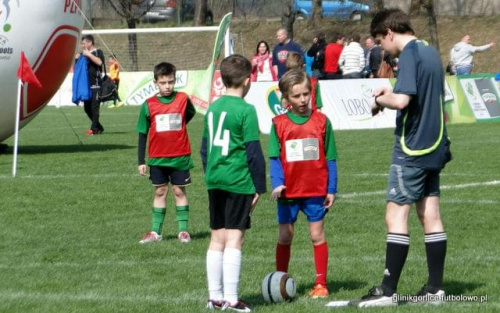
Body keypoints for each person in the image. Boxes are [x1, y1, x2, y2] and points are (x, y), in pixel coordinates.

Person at [352, 9, 452, 307]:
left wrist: (379, 100)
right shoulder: (431, 52)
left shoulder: (408, 54)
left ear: (389, 32)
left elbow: (402, 100)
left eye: (382, 42)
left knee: (395, 215)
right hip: (435, 146)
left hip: (412, 148)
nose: (383, 49)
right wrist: (391, 90)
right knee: (430, 215)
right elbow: (421, 95)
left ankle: (387, 290)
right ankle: (435, 288)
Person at [201, 54, 266, 312]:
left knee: (217, 237)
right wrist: (259, 187)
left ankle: (214, 297)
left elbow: (205, 149)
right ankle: (231, 298)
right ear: (248, 81)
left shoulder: (213, 107)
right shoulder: (246, 110)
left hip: (214, 180)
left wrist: (210, 173)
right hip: (238, 180)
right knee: (235, 238)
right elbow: (253, 152)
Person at [269, 69, 337, 299]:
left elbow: (331, 158)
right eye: (296, 96)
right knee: (285, 237)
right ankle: (279, 282)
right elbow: (275, 158)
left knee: (317, 235)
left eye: (306, 94)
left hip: (314, 190)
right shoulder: (278, 124)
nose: (302, 100)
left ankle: (321, 285)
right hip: (288, 192)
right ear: (286, 98)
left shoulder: (322, 121)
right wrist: (277, 183)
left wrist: (331, 188)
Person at [136, 62, 196, 245]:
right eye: (163, 83)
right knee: (160, 191)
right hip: (157, 158)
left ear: (175, 80)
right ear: (156, 82)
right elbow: (142, 132)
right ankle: (156, 232)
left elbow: (189, 114)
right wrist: (141, 160)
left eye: (171, 82)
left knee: (179, 191)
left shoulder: (183, 99)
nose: (167, 86)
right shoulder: (149, 105)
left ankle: (183, 231)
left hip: (180, 155)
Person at [75, 35, 105, 136]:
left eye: (84, 43)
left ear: (90, 43)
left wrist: (89, 55)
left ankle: (93, 129)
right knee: (87, 109)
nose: (83, 45)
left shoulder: (98, 52)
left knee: (94, 108)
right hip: (86, 87)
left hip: (96, 85)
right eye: (82, 43)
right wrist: (77, 58)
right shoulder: (83, 54)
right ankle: (99, 127)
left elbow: (99, 62)